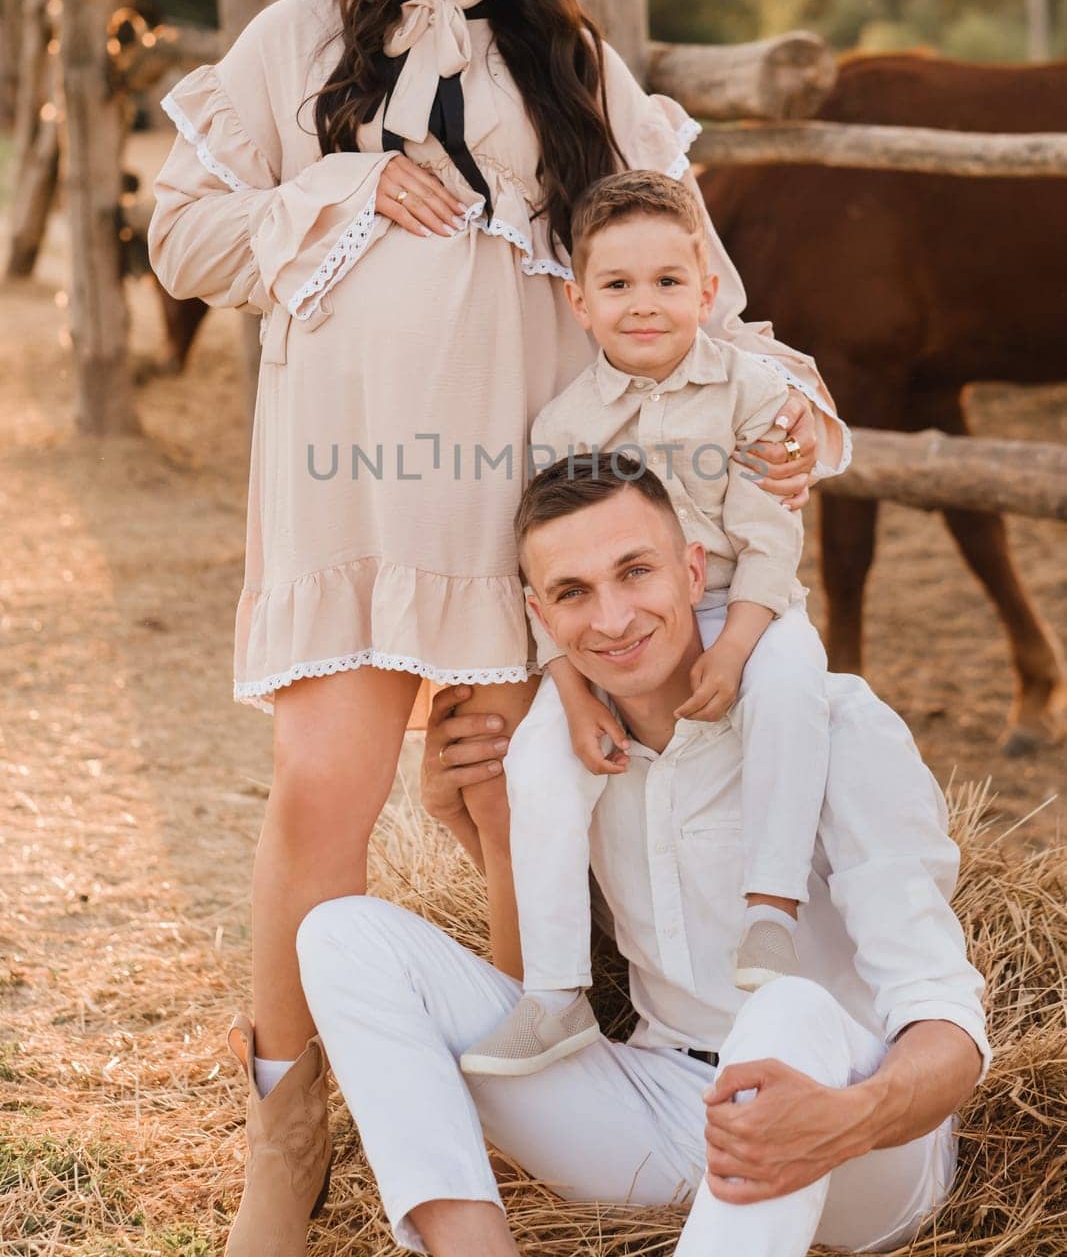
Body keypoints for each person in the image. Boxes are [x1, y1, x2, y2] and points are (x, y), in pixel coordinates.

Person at [149, 0, 846, 1253]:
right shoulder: (293, 48)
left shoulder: (574, 68)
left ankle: (540, 1101)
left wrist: (784, 411)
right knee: (319, 791)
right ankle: (287, 1125)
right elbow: (183, 238)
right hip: (348, 490)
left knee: (499, 795)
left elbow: (686, 284)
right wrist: (333, 189)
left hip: (516, 503)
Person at [296, 458, 987, 1257]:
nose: (613, 618)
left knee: (783, 1009)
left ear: (692, 571)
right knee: (341, 934)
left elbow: (945, 1021)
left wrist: (846, 1120)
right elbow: (544, 981)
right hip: (663, 1106)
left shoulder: (835, 726)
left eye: (635, 572)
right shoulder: (562, 756)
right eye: (572, 592)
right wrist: (477, 818)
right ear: (539, 615)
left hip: (858, 1140)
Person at [461, 169, 831, 1079]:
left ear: (707, 293)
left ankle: (770, 912)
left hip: (749, 598)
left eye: (668, 282)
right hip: (617, 623)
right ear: (578, 304)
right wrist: (573, 689)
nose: (643, 305)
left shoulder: (751, 392)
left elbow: (769, 534)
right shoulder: (564, 426)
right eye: (617, 286)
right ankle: (554, 993)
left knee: (793, 691)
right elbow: (547, 575)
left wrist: (738, 643)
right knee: (537, 763)